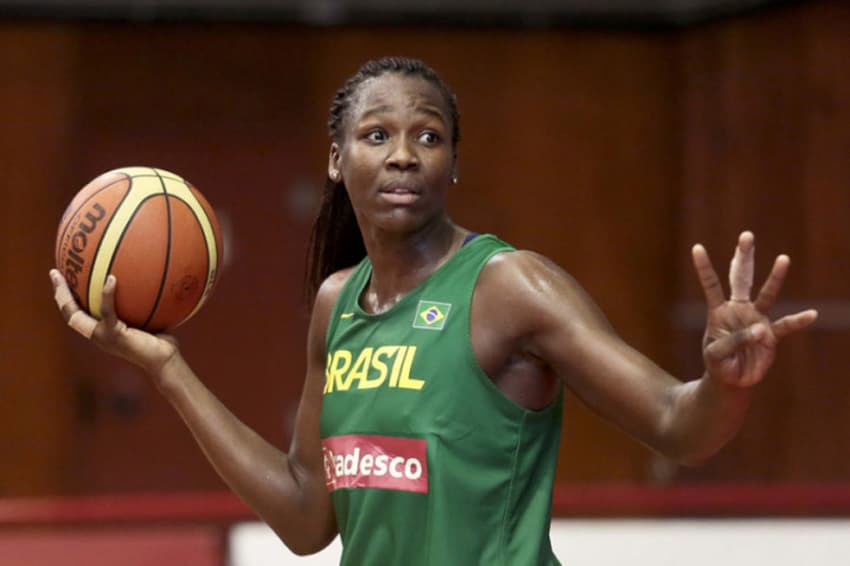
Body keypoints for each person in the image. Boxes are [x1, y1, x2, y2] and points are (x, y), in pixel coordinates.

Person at [49, 56, 818, 565]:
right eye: (377, 135)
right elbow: (307, 519)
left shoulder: (510, 286)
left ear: (454, 162)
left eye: (429, 136)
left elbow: (678, 425)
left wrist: (727, 382)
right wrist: (169, 368)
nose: (404, 155)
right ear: (335, 157)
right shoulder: (335, 304)